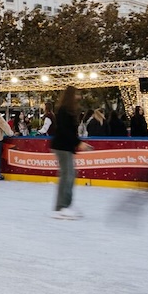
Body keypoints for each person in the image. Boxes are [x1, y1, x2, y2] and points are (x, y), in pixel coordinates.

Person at [50, 86, 92, 219]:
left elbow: (70, 131)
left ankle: (64, 206)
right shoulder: (64, 110)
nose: (79, 97)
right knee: (67, 176)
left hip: (66, 147)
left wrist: (77, 143)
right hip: (62, 147)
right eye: (77, 94)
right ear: (71, 96)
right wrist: (78, 143)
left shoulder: (69, 110)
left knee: (69, 176)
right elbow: (64, 130)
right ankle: (62, 207)